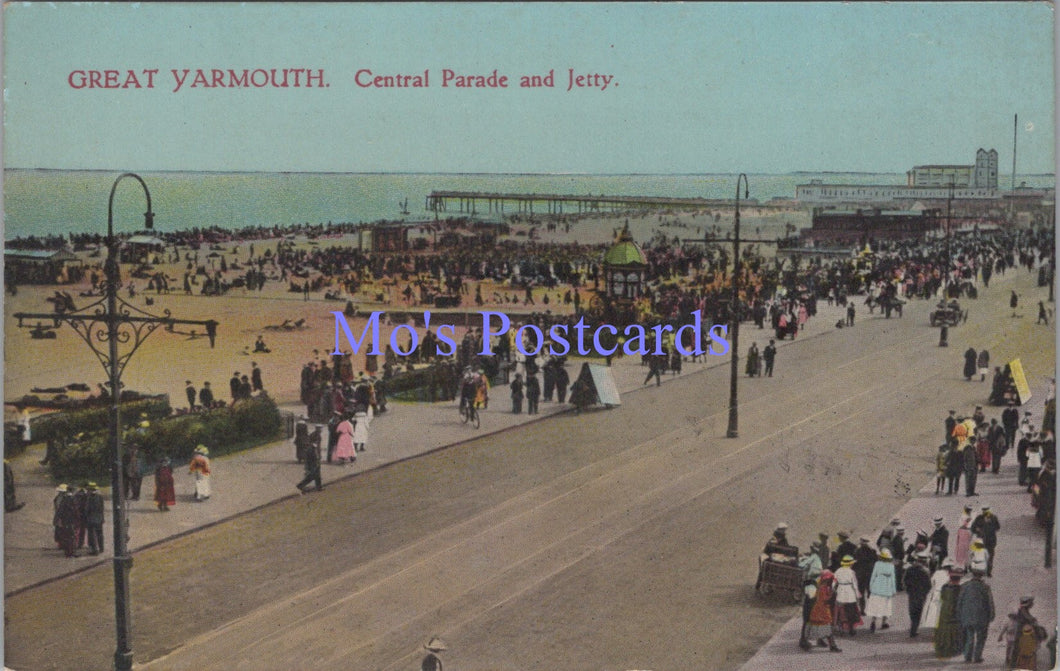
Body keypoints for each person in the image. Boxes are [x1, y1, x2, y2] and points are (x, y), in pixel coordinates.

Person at [956, 569, 994, 663]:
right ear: (981, 576)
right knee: (981, 637)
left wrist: (959, 614)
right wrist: (992, 614)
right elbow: (989, 602)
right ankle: (977, 656)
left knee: (969, 636)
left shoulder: (964, 586)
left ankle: (967, 656)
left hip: (967, 616)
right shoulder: (985, 587)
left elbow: (959, 601)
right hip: (982, 616)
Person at [999, 596, 1048, 670]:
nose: (1032, 604)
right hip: (1022, 635)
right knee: (1021, 651)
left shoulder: (1023, 611)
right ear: (1028, 604)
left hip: (1021, 635)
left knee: (1018, 651)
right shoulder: (1023, 612)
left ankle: (1015, 664)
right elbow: (1029, 620)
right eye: (1031, 602)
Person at [803, 570, 842, 652]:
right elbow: (825, 599)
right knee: (827, 628)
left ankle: (829, 644)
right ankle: (832, 645)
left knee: (816, 627)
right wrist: (833, 594)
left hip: (819, 610)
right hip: (822, 611)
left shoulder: (821, 587)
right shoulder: (823, 588)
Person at [934, 567, 964, 658]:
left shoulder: (945, 587)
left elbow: (942, 597)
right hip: (956, 610)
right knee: (955, 630)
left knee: (944, 630)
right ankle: (954, 648)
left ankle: (943, 647)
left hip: (945, 610)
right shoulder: (960, 589)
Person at [865, 548, 896, 632]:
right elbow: (893, 579)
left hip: (877, 586)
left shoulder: (877, 564)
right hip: (886, 587)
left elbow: (873, 575)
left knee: (876, 605)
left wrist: (871, 586)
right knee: (886, 605)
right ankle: (884, 622)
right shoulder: (891, 566)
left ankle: (873, 621)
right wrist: (893, 590)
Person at [921, 557, 954, 633]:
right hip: (945, 593)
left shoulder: (937, 573)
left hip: (936, 592)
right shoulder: (950, 574)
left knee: (935, 611)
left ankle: (937, 628)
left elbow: (932, 582)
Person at [904, 551, 932, 638]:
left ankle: (913, 626)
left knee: (912, 610)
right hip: (921, 594)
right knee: (918, 611)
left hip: (912, 593)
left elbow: (905, 580)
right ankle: (914, 629)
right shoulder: (926, 571)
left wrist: (908, 590)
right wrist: (925, 592)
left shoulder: (910, 569)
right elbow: (929, 585)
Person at [834, 555, 862, 635]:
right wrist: (857, 594)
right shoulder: (852, 572)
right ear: (850, 564)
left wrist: (834, 590)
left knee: (841, 610)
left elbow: (834, 582)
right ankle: (851, 628)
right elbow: (855, 584)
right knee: (851, 611)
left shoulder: (838, 571)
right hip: (850, 592)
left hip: (841, 590)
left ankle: (841, 627)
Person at [970, 505, 1000, 576]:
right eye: (983, 510)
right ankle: (979, 569)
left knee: (990, 556)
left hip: (990, 540)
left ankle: (989, 571)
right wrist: (977, 530)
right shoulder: (979, 518)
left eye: (986, 510)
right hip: (980, 540)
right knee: (979, 555)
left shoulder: (993, 518)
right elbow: (973, 528)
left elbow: (997, 527)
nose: (984, 512)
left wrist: (990, 526)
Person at [296, 425, 324, 494]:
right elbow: (313, 452)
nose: (321, 430)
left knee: (317, 474)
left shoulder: (316, 435)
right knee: (313, 475)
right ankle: (300, 485)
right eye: (320, 429)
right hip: (313, 460)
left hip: (315, 459)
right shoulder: (314, 439)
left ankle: (319, 487)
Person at [83, 482, 105, 555]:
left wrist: (85, 517)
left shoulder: (89, 498)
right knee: (100, 534)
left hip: (91, 519)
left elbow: (87, 509)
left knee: (92, 535)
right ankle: (101, 548)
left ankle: (94, 550)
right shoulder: (100, 497)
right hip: (99, 518)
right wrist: (102, 518)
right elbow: (102, 508)